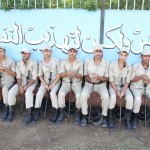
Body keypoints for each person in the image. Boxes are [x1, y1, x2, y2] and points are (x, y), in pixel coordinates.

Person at [80, 44, 110, 127]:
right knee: (83, 95)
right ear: (94, 52)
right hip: (88, 84)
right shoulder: (88, 61)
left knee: (106, 96)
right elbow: (85, 74)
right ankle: (84, 116)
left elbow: (107, 78)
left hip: (101, 85)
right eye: (96, 51)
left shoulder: (106, 63)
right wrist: (90, 80)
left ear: (102, 53)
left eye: (100, 51)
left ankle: (104, 117)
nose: (98, 53)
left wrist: (98, 78)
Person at [7, 48, 37, 124]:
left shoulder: (33, 63)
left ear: (29, 54)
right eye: (23, 53)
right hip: (21, 82)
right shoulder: (19, 63)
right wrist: (20, 86)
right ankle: (11, 111)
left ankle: (29, 114)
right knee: (11, 92)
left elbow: (34, 78)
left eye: (26, 53)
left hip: (31, 83)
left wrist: (26, 87)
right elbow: (18, 76)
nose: (24, 55)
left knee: (28, 92)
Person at [108, 47, 133, 131]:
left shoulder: (129, 66)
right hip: (114, 86)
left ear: (127, 56)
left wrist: (123, 91)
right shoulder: (112, 65)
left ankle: (127, 120)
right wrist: (117, 91)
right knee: (113, 97)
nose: (123, 57)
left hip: (124, 87)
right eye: (121, 55)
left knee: (129, 98)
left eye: (125, 55)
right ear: (119, 55)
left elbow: (127, 81)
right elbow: (111, 80)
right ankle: (110, 118)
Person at [56, 45, 83, 125]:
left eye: (74, 51)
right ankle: (61, 113)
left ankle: (77, 114)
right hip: (66, 83)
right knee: (61, 94)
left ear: (76, 53)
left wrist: (74, 74)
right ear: (68, 52)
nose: (72, 53)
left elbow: (81, 76)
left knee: (79, 95)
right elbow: (60, 74)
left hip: (77, 83)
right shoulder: (64, 61)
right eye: (71, 51)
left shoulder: (80, 62)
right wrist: (67, 74)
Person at [33, 45, 61, 123]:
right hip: (45, 82)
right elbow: (39, 75)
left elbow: (60, 74)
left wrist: (53, 84)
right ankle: (37, 111)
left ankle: (56, 112)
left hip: (55, 82)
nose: (46, 53)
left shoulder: (56, 61)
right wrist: (44, 84)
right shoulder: (41, 62)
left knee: (52, 93)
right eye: (45, 51)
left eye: (48, 51)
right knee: (39, 93)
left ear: (50, 52)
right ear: (42, 52)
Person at [130, 49, 150, 129]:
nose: (147, 58)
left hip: (148, 87)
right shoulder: (136, 66)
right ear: (141, 57)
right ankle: (134, 118)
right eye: (145, 56)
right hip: (136, 87)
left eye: (149, 56)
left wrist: (148, 81)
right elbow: (131, 80)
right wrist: (141, 76)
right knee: (138, 99)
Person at [0, 45, 16, 121]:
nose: (0, 53)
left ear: (4, 52)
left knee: (5, 89)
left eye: (1, 51)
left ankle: (8, 110)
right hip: (1, 79)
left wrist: (5, 69)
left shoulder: (10, 60)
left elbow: (15, 74)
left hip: (9, 80)